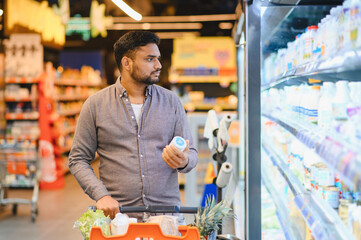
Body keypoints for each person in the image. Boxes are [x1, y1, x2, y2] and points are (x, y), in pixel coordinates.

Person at [68, 31, 198, 221]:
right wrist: (101, 195)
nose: (158, 65)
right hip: (119, 218)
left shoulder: (172, 102)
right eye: (150, 59)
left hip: (166, 217)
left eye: (158, 59)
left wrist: (184, 160)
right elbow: (78, 159)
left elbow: (192, 154)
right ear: (127, 63)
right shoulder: (96, 105)